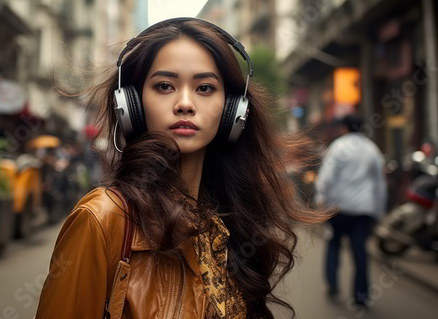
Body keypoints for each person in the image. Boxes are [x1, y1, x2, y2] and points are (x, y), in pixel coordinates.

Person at [34, 17, 332, 319]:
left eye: (205, 88)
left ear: (233, 111)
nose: (185, 103)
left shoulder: (224, 224)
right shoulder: (101, 219)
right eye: (164, 86)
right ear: (131, 106)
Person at [316, 115, 388, 308]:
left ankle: (332, 283)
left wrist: (321, 200)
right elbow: (380, 184)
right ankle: (361, 296)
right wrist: (379, 211)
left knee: (333, 244)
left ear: (344, 128)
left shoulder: (338, 147)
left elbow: (326, 178)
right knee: (360, 251)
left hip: (338, 209)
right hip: (363, 210)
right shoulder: (372, 149)